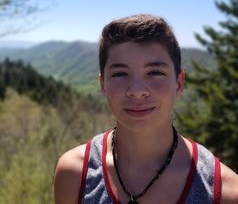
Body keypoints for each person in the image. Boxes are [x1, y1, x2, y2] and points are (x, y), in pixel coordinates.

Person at [54, 14, 238, 204]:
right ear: (103, 84)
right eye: (120, 74)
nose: (137, 91)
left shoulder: (225, 192)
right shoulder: (75, 175)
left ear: (179, 83)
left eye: (155, 72)